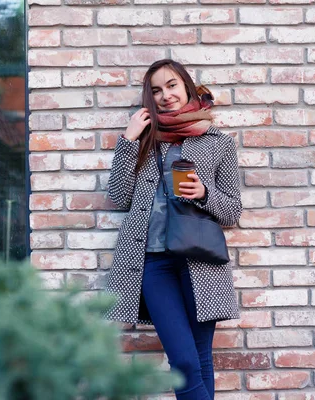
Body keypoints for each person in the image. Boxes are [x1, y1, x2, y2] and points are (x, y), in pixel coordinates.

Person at [104, 59, 242, 400]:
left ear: (187, 87)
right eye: (156, 90)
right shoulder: (145, 141)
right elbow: (119, 196)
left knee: (200, 360)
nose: (165, 95)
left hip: (201, 263)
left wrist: (205, 194)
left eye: (172, 86)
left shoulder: (218, 143)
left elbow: (232, 211)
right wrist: (128, 139)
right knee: (183, 360)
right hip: (152, 262)